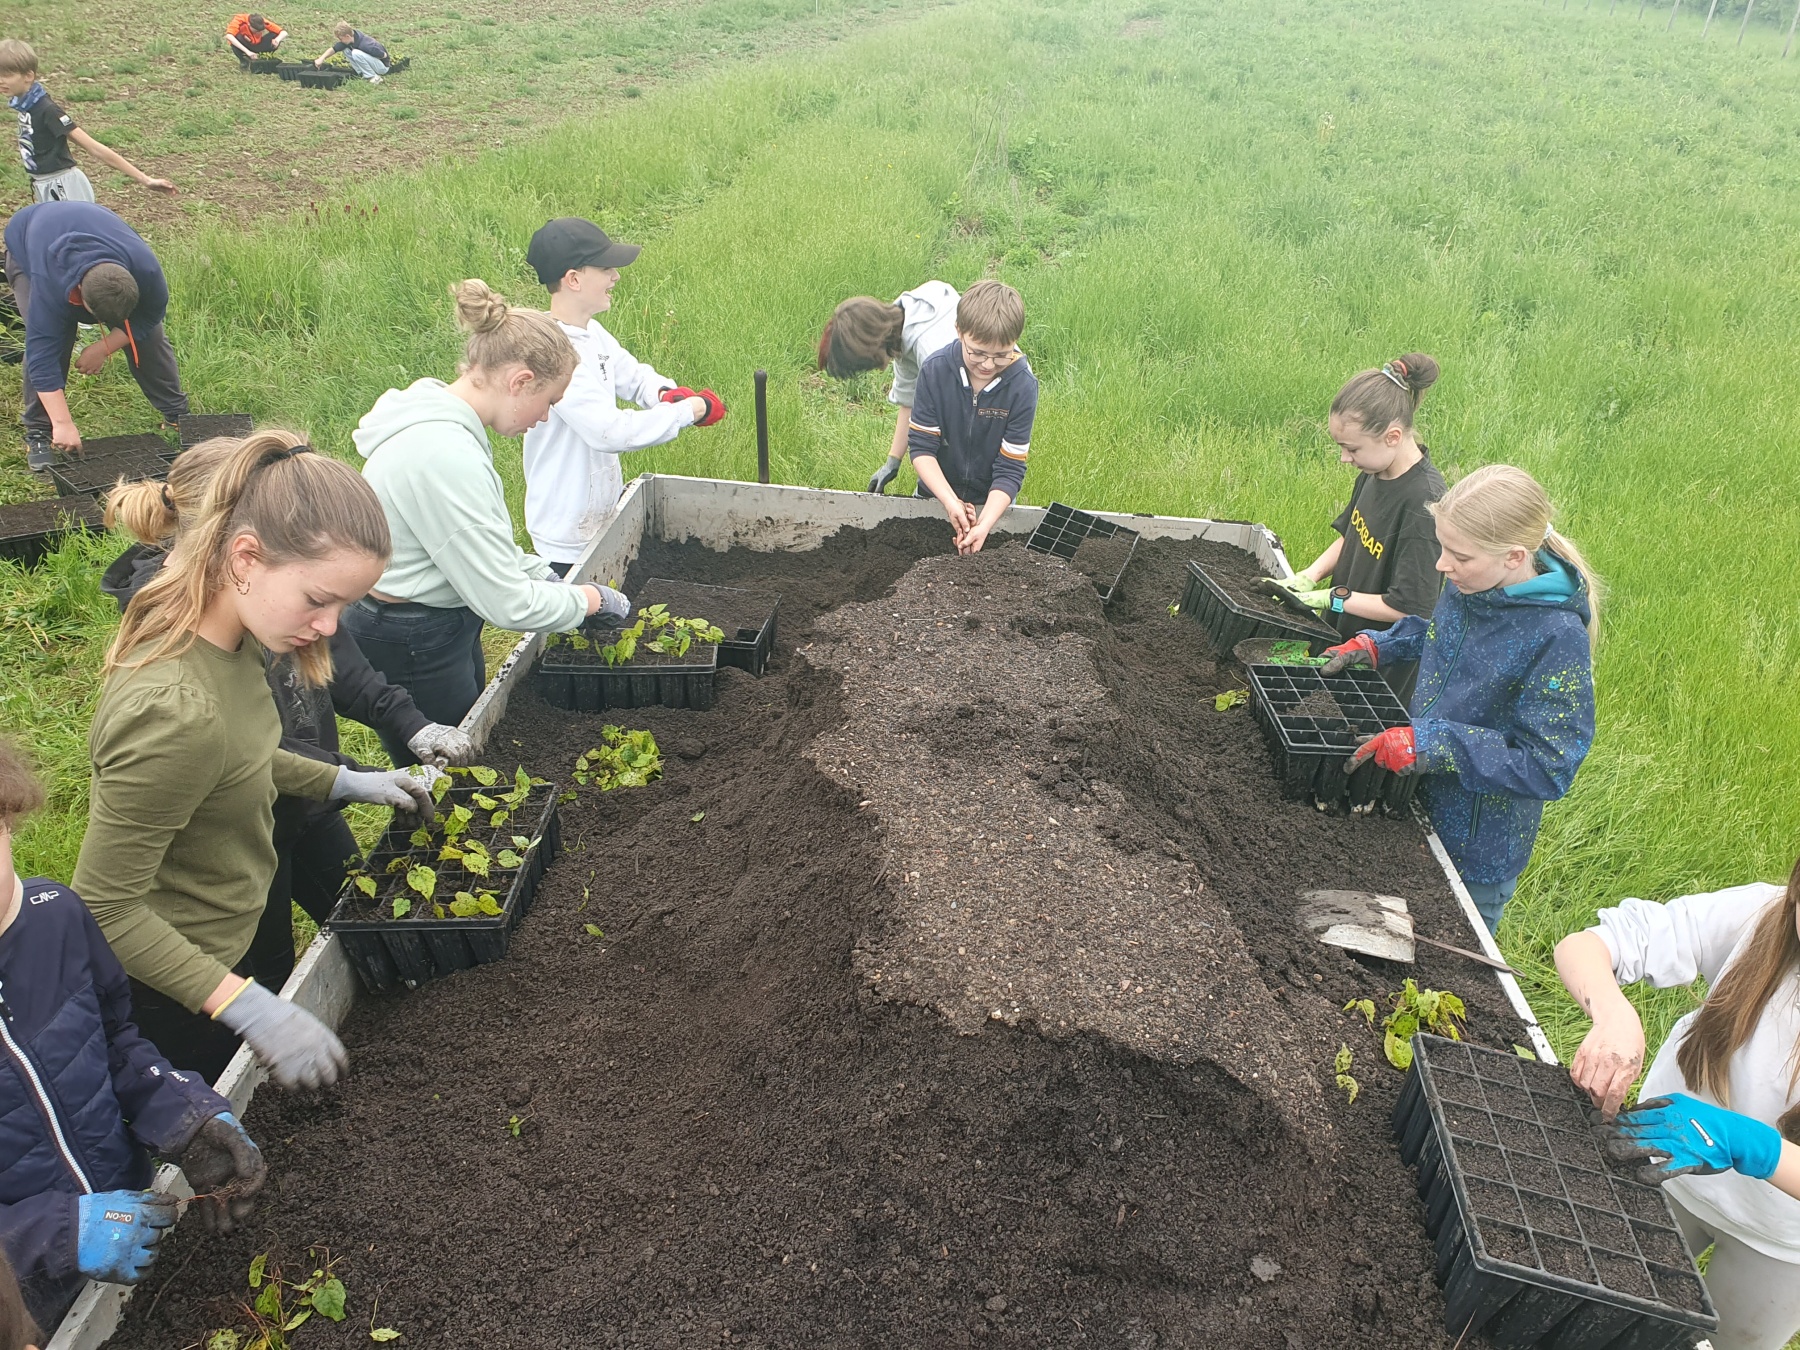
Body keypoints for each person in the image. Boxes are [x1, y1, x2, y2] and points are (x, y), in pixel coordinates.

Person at [72, 432, 435, 1084]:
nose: (330, 627)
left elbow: (244, 756)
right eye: (318, 600)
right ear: (245, 557)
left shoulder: (236, 642)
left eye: (343, 606)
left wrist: (344, 781)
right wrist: (243, 1005)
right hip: (172, 988)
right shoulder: (173, 711)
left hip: (224, 945)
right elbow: (104, 907)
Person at [0, 737, 266, 1332]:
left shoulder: (55, 917)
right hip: (17, 1308)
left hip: (132, 1220)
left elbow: (114, 1040)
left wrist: (186, 1117)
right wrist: (59, 1234)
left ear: (10, 818)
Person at [344, 280, 630, 764]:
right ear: (520, 382)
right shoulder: (444, 456)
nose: (545, 418)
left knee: (471, 736)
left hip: (439, 614)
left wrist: (544, 575)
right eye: (549, 401)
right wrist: (588, 600)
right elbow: (507, 603)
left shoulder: (443, 421)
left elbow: (477, 544)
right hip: (413, 637)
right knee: (451, 772)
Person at [1321, 464, 1596, 931]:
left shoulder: (1556, 636)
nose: (1441, 566)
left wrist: (1433, 745)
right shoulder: (1474, 583)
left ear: (1514, 557)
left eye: (1459, 556)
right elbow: (1444, 635)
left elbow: (1548, 767)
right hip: (1413, 802)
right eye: (1443, 548)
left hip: (1473, 850)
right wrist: (1380, 645)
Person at [1555, 859, 1800, 1350]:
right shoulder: (1759, 916)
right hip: (1660, 1164)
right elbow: (1588, 945)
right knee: (1588, 1310)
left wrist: (1754, 1145)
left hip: (1780, 1240)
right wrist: (1613, 1013)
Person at [520, 218, 720, 574]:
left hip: (599, 516)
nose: (616, 277)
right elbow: (609, 432)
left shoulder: (592, 334)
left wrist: (667, 393)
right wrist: (688, 411)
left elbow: (634, 376)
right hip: (566, 534)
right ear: (574, 279)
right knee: (584, 605)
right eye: (605, 269)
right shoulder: (552, 353)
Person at [1266, 354, 1447, 702]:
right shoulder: (1375, 470)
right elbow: (1353, 535)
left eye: (1352, 448)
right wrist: (1310, 576)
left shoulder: (1424, 503)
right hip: (1343, 633)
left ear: (1392, 436)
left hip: (1378, 666)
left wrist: (1335, 599)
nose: (1344, 458)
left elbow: (1410, 608)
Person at [1, 200, 188, 471]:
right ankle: (39, 431)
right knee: (56, 342)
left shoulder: (146, 270)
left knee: (150, 338)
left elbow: (150, 315)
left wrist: (105, 346)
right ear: (79, 295)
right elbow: (42, 356)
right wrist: (64, 422)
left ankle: (176, 413)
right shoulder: (49, 284)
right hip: (28, 243)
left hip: (88, 229)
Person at [905, 280, 1037, 556]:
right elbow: (921, 448)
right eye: (977, 352)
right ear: (959, 331)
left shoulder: (1022, 386)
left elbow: (1011, 467)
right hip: (934, 496)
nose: (988, 364)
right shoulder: (935, 371)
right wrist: (950, 501)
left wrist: (985, 524)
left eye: (1001, 355)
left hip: (992, 505)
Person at [818, 280, 960, 494]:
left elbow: (961, 422)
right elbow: (909, 400)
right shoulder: (903, 324)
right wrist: (893, 462)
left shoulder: (932, 352)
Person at [0, 40, 177, 204]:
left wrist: (145, 179)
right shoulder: (25, 106)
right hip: (42, 185)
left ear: (28, 76)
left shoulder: (47, 110)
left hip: (63, 188)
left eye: (7, 75)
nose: (1, 81)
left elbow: (94, 147)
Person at [314, 21, 390, 83]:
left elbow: (384, 55)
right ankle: (361, 73)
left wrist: (369, 57)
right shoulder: (351, 39)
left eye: (341, 39)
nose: (340, 41)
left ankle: (373, 77)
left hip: (382, 67)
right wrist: (321, 59)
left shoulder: (365, 44)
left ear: (347, 36)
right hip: (374, 63)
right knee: (346, 50)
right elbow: (334, 49)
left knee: (356, 53)